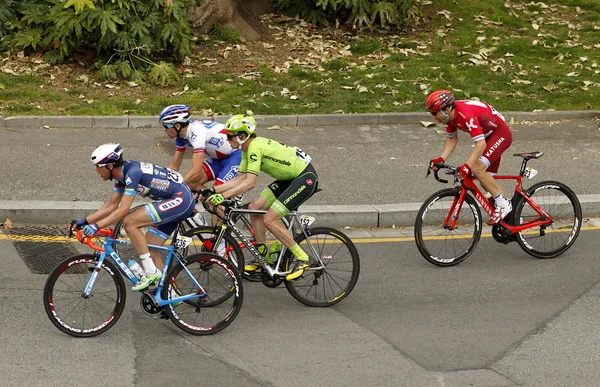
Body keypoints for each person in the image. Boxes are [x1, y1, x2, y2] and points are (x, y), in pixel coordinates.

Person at [203, 114, 319, 281]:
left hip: (304, 178)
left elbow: (250, 183)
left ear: (242, 136)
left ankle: (303, 258)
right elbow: (239, 178)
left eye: (230, 136)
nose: (226, 139)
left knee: (270, 219)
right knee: (254, 208)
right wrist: (213, 190)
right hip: (288, 179)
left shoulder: (255, 147)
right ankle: (264, 255)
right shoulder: (246, 149)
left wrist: (224, 196)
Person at [71, 143, 195, 290]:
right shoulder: (121, 175)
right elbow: (112, 205)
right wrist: (85, 221)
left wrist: (97, 226)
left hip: (181, 199)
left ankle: (151, 272)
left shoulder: (132, 173)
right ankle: (170, 295)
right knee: (149, 249)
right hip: (174, 199)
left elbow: (123, 210)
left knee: (130, 222)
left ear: (110, 166)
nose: (97, 170)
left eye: (99, 166)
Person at [426, 90, 513, 225]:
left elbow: (481, 143)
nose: (433, 117)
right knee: (487, 183)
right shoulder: (450, 118)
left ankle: (504, 205)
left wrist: (467, 166)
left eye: (434, 113)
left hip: (500, 134)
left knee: (477, 168)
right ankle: (513, 219)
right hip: (489, 137)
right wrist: (441, 159)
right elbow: (452, 139)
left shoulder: (465, 114)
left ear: (447, 109)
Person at [158, 104, 242, 192]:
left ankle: (221, 202)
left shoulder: (197, 133)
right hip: (219, 159)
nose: (163, 129)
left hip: (236, 156)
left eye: (165, 126)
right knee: (191, 184)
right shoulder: (181, 136)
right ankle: (214, 202)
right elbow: (174, 167)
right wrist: (160, 184)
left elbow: (196, 171)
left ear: (177, 126)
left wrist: (175, 188)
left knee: (217, 191)